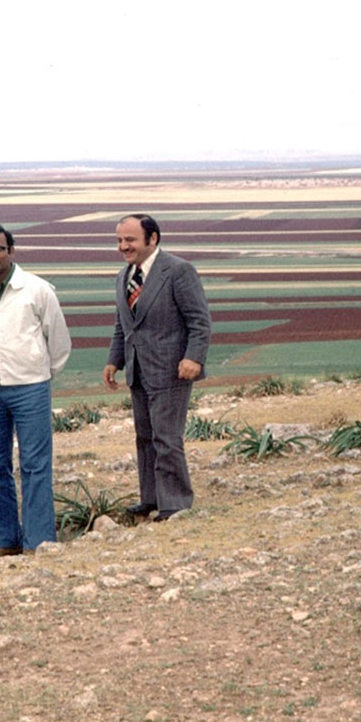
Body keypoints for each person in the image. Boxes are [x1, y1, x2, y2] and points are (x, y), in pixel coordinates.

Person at [0, 224, 71, 555]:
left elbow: (58, 339)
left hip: (30, 388)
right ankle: (1, 541)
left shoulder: (37, 290)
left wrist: (40, 372)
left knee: (35, 465)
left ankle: (38, 540)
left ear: (11, 251)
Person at [103, 213, 212, 521]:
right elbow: (123, 325)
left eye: (130, 240)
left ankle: (175, 503)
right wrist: (114, 360)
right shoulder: (123, 276)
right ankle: (151, 499)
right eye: (119, 240)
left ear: (152, 239)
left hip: (171, 369)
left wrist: (194, 357)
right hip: (138, 370)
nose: (123, 246)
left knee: (166, 438)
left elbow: (200, 320)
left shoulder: (178, 271)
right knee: (145, 437)